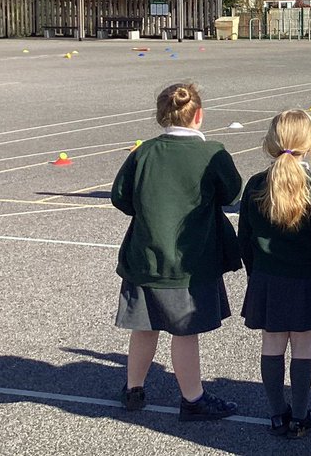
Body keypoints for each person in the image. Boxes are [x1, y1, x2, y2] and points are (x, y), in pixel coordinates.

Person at [111, 81, 242, 421]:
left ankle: (134, 389)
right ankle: (192, 398)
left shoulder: (142, 153)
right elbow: (231, 192)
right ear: (199, 115)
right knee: (185, 333)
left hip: (146, 255)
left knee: (144, 327)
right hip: (190, 259)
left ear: (161, 116)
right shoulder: (212, 153)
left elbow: (120, 198)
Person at [238, 109, 311, 438]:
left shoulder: (257, 184)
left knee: (271, 344)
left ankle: (276, 415)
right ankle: (300, 415)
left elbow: (245, 239)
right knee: (302, 347)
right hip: (305, 279)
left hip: (267, 278)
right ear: (310, 143)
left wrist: (255, 274)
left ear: (271, 141)